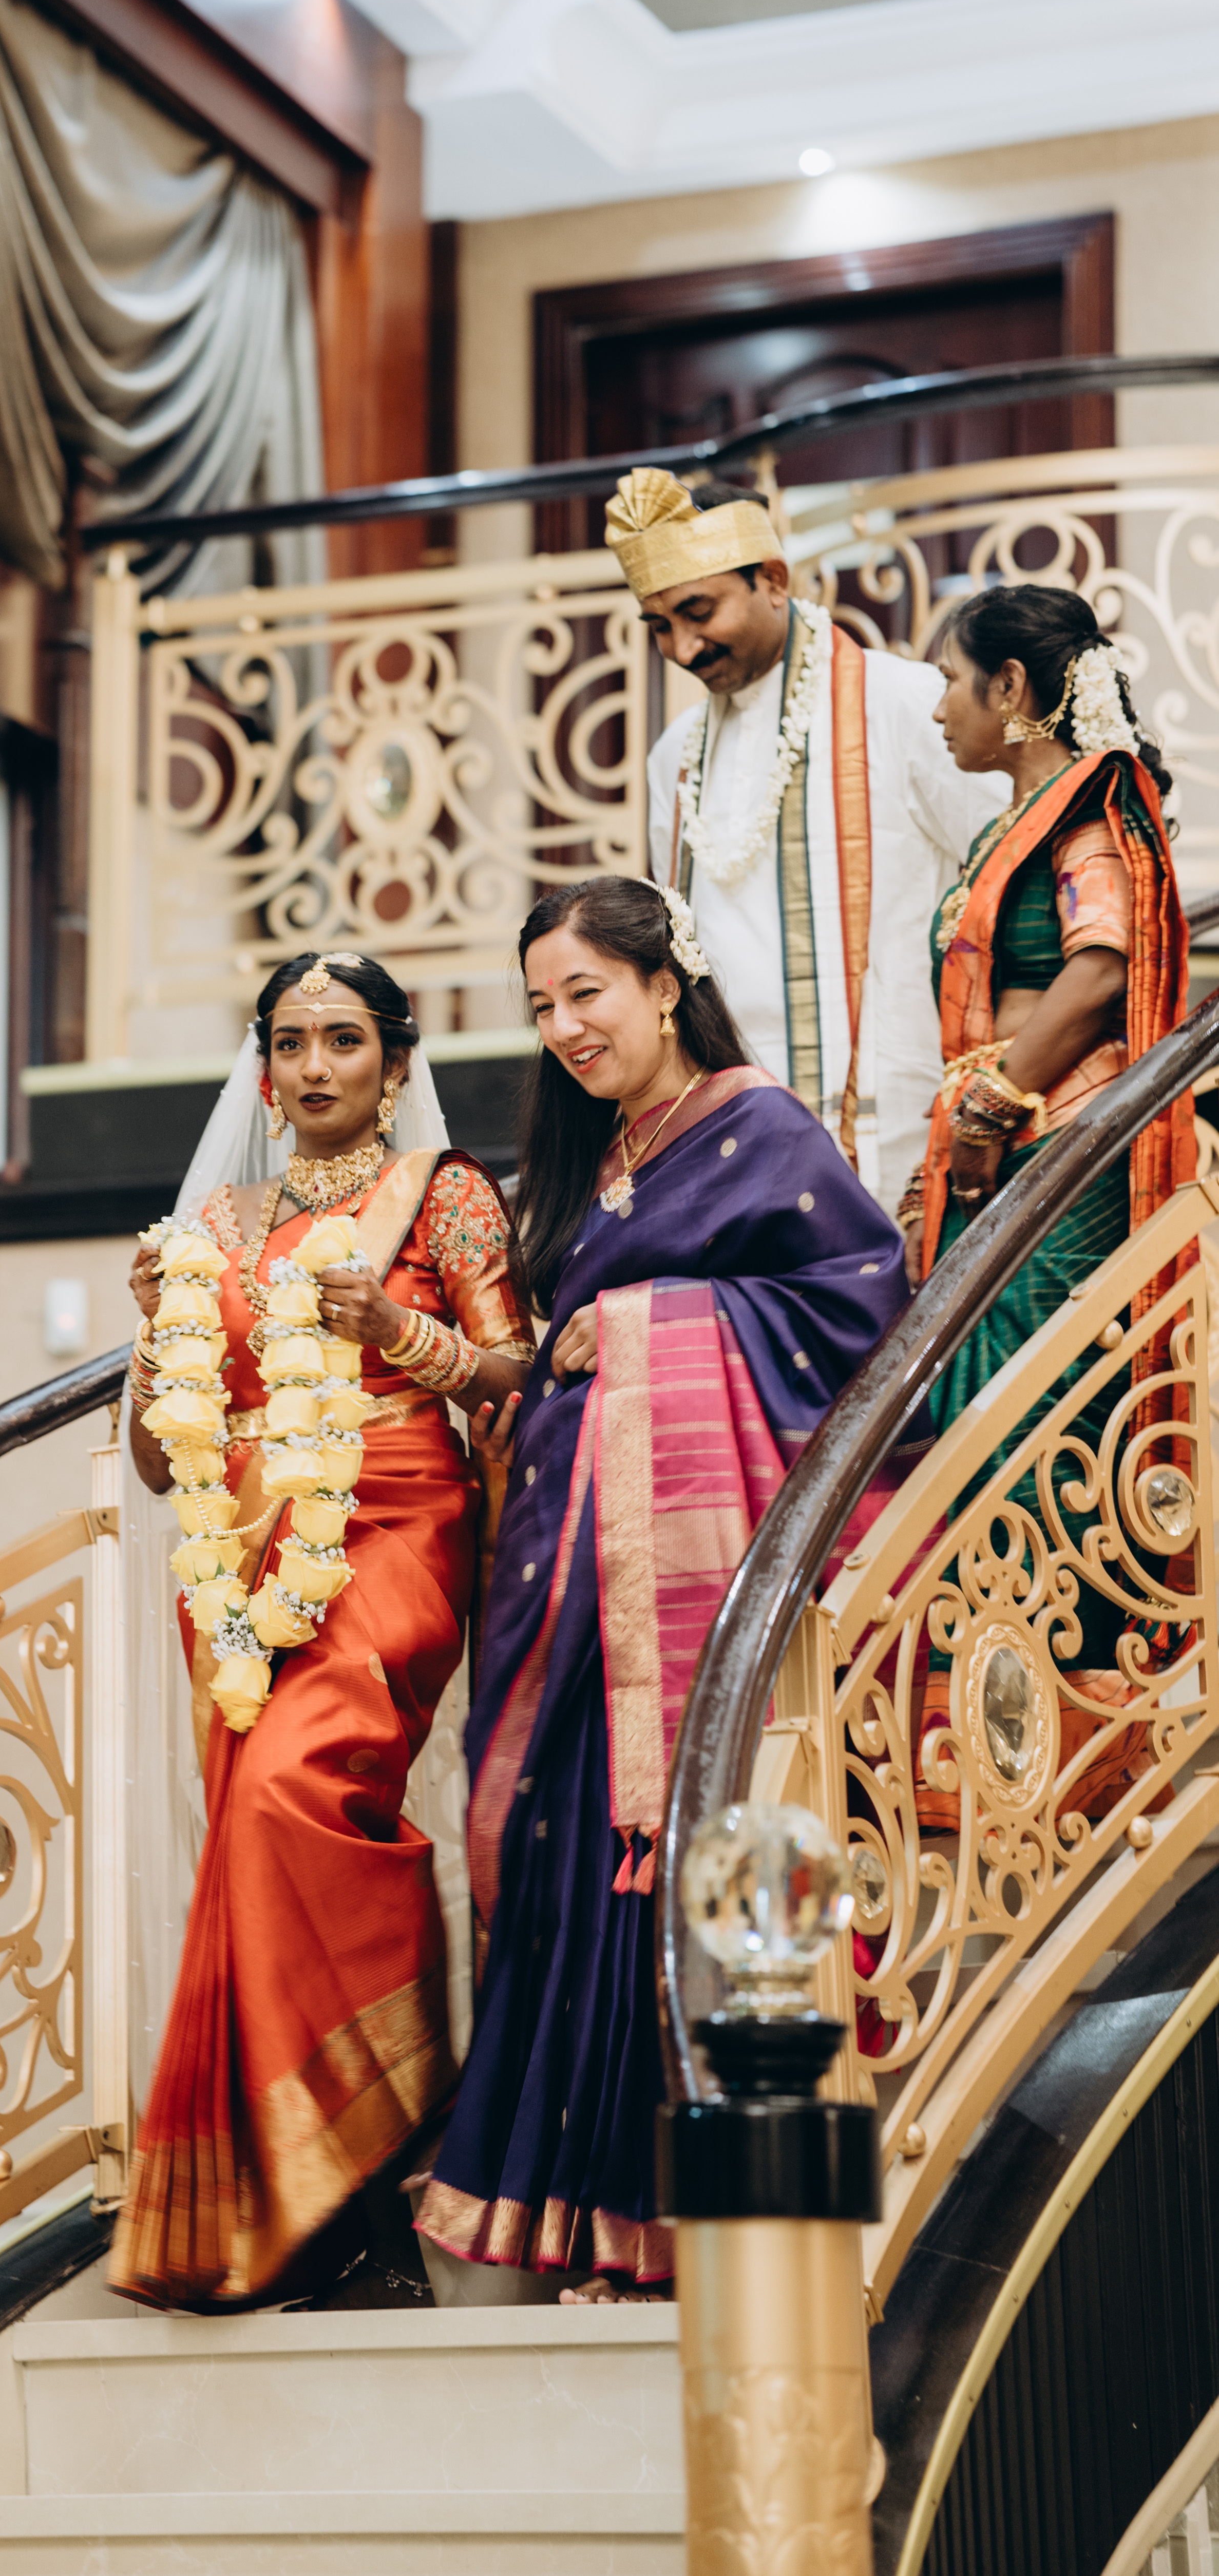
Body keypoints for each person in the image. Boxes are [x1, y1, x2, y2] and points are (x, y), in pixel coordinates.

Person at [414, 877, 910, 2299]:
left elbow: (859, 1317)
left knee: (695, 1865)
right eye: (542, 1006)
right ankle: (589, 2223)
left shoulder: (762, 1133)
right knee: (571, 1876)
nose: (566, 1027)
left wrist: (645, 1325)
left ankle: (715, 2241)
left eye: (588, 993)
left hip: (698, 1595)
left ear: (665, 984)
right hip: (573, 1582)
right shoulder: (598, 1156)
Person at [108, 949, 532, 2310]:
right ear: (262, 1071)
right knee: (250, 1843)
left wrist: (400, 1330)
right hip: (235, 1563)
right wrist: (153, 1331)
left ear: (396, 1063)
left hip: (393, 1519)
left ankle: (385, 2136)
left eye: (343, 1039)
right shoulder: (215, 1224)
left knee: (296, 1794)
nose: (313, 1066)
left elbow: (520, 1366)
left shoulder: (444, 1192)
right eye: (289, 1042)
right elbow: (159, 1460)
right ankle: (293, 2207)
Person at [908, 586, 1193, 1811]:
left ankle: (1078, 1721)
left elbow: (1101, 965)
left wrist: (993, 1103)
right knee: (988, 1413)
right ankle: (1008, 1715)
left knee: (1040, 1413)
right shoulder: (1017, 820)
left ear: (1012, 689)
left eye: (951, 680)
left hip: (1063, 1148)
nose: (939, 708)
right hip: (1016, 1148)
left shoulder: (1088, 809)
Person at [611, 464, 999, 1214]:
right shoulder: (675, 754)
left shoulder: (906, 703)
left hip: (896, 1122)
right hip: (733, 1139)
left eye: (699, 611)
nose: (683, 648)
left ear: (774, 579)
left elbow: (1010, 874)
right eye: (659, 626)